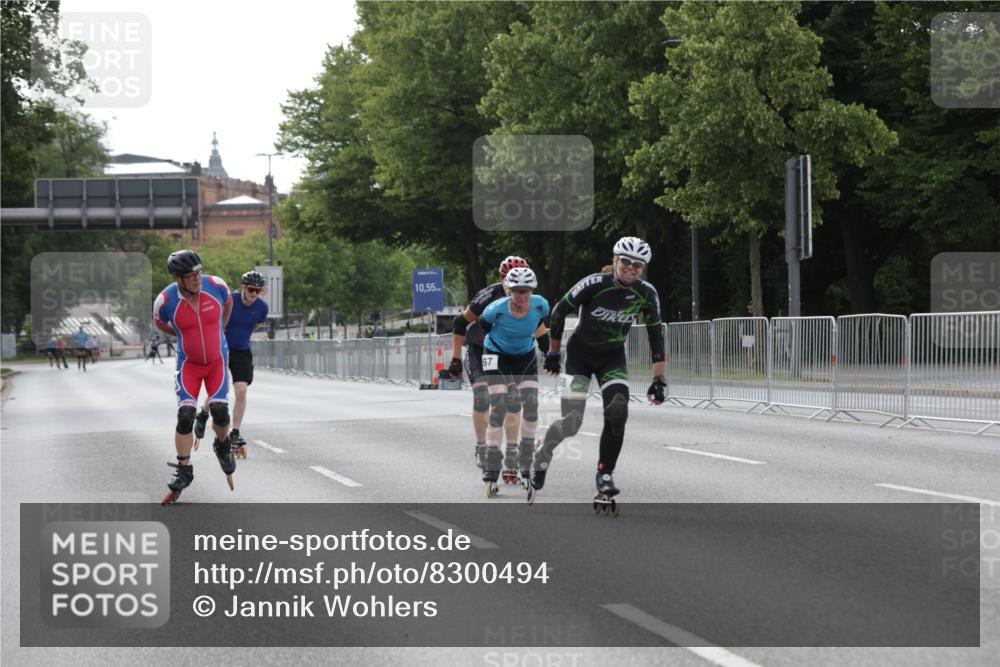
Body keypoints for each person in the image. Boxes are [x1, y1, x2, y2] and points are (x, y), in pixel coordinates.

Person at [529, 236, 666, 513]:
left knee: (617, 412)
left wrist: (658, 379)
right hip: (579, 357)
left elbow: (656, 336)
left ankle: (604, 473)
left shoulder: (646, 293)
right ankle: (542, 453)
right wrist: (554, 353)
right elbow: (559, 311)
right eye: (625, 261)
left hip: (612, 358)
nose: (630, 268)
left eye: (637, 265)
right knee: (572, 422)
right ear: (615, 261)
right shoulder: (595, 283)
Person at [153, 249, 237, 504]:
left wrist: (220, 332)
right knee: (185, 414)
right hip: (188, 364)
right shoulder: (166, 300)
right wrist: (181, 333)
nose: (197, 278)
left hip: (216, 362)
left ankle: (222, 445)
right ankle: (184, 469)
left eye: (198, 272)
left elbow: (228, 305)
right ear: (178, 278)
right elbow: (160, 322)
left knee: (221, 411)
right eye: (190, 276)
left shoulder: (217, 286)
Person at [449, 255, 531, 475]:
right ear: (501, 279)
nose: (515, 287)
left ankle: (512, 450)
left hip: (504, 353)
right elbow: (459, 322)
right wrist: (456, 358)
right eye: (509, 280)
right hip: (478, 349)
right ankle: (481, 446)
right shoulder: (488, 295)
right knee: (483, 398)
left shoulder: (529, 299)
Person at [477, 267, 550, 496]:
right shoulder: (495, 310)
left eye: (526, 291)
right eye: (517, 291)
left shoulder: (541, 305)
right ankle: (491, 465)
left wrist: (551, 355)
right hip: (494, 352)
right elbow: (483, 330)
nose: (522, 297)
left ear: (532, 290)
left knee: (531, 405)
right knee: (499, 404)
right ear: (508, 290)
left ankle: (525, 459)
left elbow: (541, 330)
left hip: (525, 355)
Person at [194, 270, 269, 451]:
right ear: (244, 287)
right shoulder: (230, 300)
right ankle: (204, 414)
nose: (254, 294)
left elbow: (255, 325)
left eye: (258, 291)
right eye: (251, 289)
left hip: (242, 351)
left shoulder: (262, 308)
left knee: (241, 390)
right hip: (221, 348)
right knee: (219, 389)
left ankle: (235, 432)